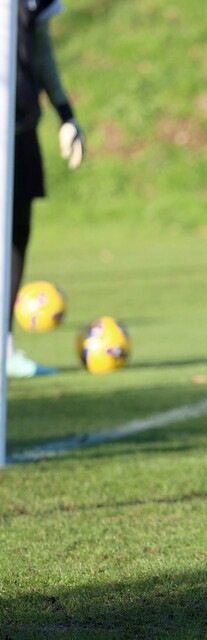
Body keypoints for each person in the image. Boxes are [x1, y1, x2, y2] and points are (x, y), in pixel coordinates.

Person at [8, 0, 85, 378]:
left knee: (16, 237)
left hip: (21, 130)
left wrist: (65, 114)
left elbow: (41, 52)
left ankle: (4, 346)